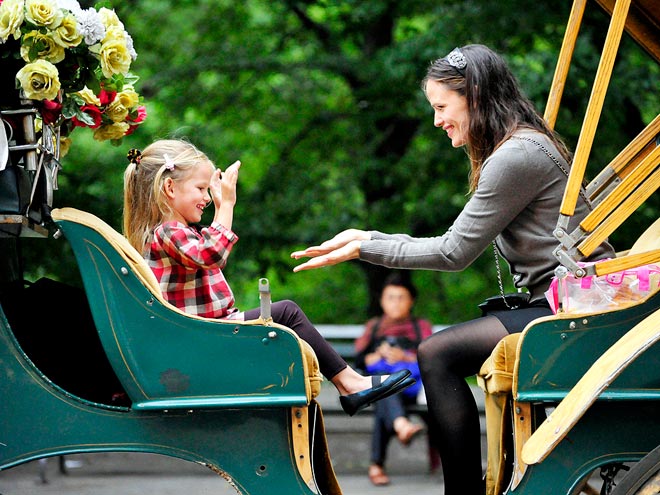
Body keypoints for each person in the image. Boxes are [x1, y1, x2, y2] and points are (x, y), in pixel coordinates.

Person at [290, 44, 615, 494]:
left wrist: (365, 247)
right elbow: (451, 244)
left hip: (577, 308)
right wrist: (365, 239)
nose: (438, 120)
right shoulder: (522, 145)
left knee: (437, 354)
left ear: (475, 96)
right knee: (445, 349)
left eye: (442, 106)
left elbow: (452, 252)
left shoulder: (515, 155)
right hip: (563, 301)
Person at [122, 138, 415, 417]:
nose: (207, 199)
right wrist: (227, 205)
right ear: (170, 188)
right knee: (286, 312)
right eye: (201, 189)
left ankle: (345, 385)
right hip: (202, 335)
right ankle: (349, 383)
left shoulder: (170, 233)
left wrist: (221, 207)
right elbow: (212, 255)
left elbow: (209, 254)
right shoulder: (169, 231)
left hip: (203, 331)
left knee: (283, 320)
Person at [354, 271, 436, 486]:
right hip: (380, 386)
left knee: (383, 391)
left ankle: (376, 465)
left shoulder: (421, 327)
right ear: (382, 300)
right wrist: (375, 356)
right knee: (383, 385)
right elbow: (359, 361)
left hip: (412, 388)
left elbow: (432, 359)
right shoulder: (374, 327)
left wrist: (405, 357)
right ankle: (401, 425)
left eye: (401, 298)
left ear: (411, 301)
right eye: (390, 297)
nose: (396, 303)